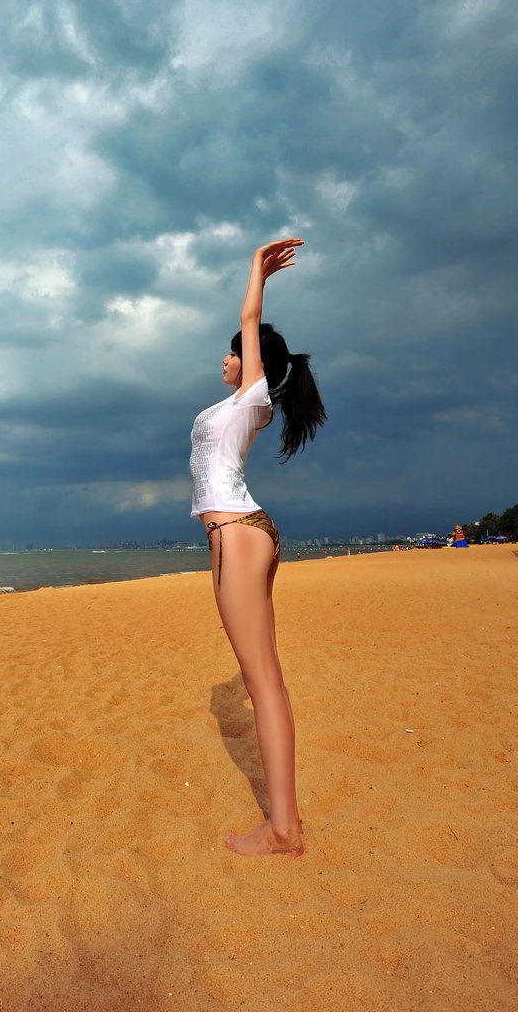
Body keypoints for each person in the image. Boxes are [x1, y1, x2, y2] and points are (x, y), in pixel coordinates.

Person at [189, 238, 326, 857]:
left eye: (235, 353)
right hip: (249, 531)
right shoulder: (236, 407)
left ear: (252, 365)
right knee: (267, 680)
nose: (225, 357)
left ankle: (281, 831)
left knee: (262, 682)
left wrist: (255, 273)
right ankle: (285, 825)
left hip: (236, 536)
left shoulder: (253, 399)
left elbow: (249, 323)